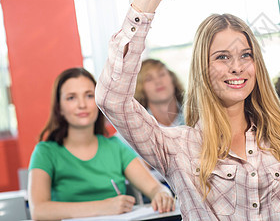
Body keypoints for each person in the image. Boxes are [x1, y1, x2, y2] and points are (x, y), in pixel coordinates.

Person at [95, 0, 280, 220]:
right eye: (222, 57)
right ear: (203, 69)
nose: (237, 67)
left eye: (245, 55)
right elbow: (112, 99)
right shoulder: (177, 148)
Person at [28, 67, 175, 221]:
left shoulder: (115, 147)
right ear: (60, 108)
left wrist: (162, 194)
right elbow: (39, 210)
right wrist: (102, 207)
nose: (82, 104)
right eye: (71, 98)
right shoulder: (45, 152)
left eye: (89, 95)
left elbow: (154, 187)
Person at [134, 58, 185, 127]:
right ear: (141, 88)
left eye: (161, 74)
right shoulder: (136, 126)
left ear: (172, 79)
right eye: (149, 79)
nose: (158, 81)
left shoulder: (197, 116)